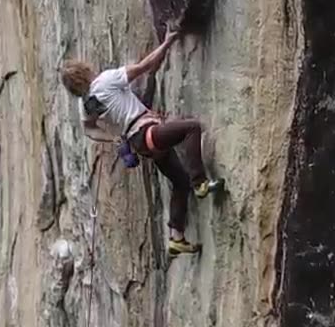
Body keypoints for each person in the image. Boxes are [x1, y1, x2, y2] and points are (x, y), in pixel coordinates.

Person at [59, 27, 224, 256]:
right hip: (146, 132)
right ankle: (200, 183)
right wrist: (167, 42)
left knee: (179, 182)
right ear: (84, 71)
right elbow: (144, 67)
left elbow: (89, 130)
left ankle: (176, 238)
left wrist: (113, 137)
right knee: (192, 128)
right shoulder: (105, 81)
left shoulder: (86, 104)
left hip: (141, 145)